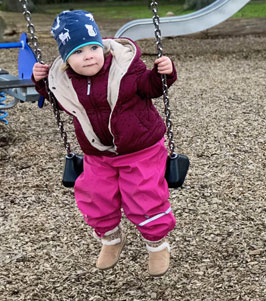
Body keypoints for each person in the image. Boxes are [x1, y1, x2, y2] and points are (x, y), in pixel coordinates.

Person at [32, 10, 177, 276]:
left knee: (144, 196)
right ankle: (110, 239)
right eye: (77, 52)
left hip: (140, 148)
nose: (88, 55)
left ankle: (157, 245)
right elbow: (61, 103)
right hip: (98, 153)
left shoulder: (125, 67)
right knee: (94, 196)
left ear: (102, 47)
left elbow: (151, 87)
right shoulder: (68, 82)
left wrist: (162, 74)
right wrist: (42, 83)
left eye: (92, 48)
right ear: (65, 60)